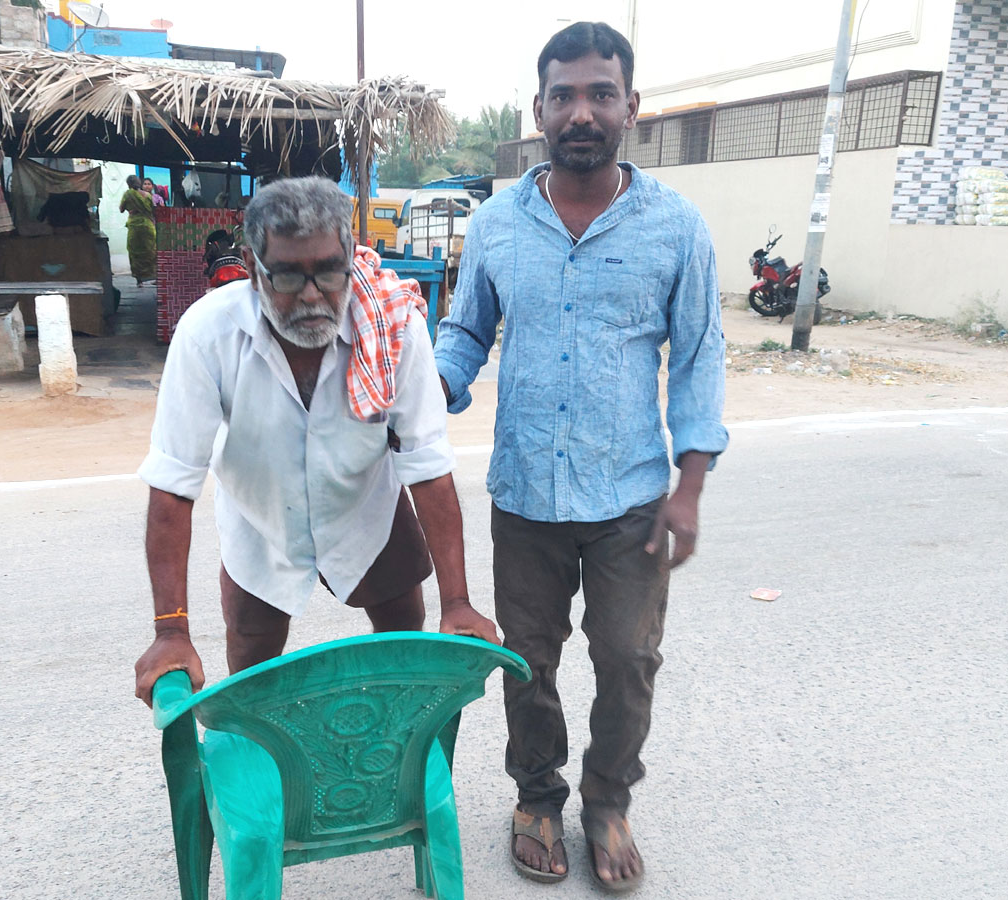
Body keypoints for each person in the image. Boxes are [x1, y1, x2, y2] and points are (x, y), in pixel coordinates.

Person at [432, 21, 728, 892]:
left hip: (631, 496)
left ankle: (606, 802)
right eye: (565, 95)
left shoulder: (676, 228)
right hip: (524, 495)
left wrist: (690, 487)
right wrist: (428, 391)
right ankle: (535, 798)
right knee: (527, 663)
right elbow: (465, 333)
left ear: (631, 107)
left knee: (627, 663)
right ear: (539, 111)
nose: (582, 111)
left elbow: (700, 356)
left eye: (601, 93)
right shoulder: (494, 225)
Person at [134, 175, 499, 709]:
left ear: (351, 258)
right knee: (254, 672)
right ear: (254, 271)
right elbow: (172, 484)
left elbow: (428, 466)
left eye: (328, 271)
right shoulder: (207, 334)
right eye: (286, 276)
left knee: (405, 644)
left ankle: (391, 760)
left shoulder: (396, 328)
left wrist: (459, 602)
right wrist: (170, 630)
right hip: (262, 525)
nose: (311, 294)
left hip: (367, 512)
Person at [119, 174, 157, 285]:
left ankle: (139, 280)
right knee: (151, 251)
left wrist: (131, 209)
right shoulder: (148, 195)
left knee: (135, 253)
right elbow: (153, 210)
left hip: (134, 226)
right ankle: (155, 276)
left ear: (128, 184)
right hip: (148, 225)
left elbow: (121, 209)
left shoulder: (128, 194)